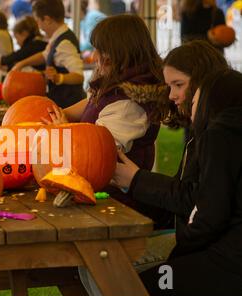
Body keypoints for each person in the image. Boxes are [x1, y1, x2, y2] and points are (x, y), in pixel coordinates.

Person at [113, 69, 242, 296]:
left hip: (226, 262)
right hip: (223, 255)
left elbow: (208, 213)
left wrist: (178, 257)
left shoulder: (219, 135)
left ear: (210, 102)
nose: (191, 110)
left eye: (194, 101)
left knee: (130, 287)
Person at [43, 14, 169, 221]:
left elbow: (97, 154)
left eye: (98, 51)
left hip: (116, 203)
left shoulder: (129, 105)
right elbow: (92, 103)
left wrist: (64, 130)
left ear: (116, 54)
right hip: (92, 191)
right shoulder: (114, 83)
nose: (94, 57)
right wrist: (60, 111)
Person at [13, 0, 86, 108]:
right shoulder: (57, 37)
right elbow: (45, 55)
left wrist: (58, 77)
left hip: (69, 105)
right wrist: (22, 63)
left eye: (38, 21)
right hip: (61, 103)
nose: (38, 26)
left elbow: (79, 76)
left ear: (47, 20)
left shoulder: (64, 43)